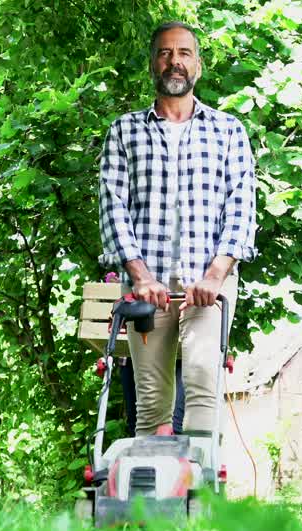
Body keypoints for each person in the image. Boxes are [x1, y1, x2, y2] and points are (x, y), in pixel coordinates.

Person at [98, 20, 258, 438]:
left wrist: (215, 276)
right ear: (153, 63)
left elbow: (240, 208)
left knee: (204, 379)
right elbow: (113, 207)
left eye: (184, 53)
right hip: (146, 287)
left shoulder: (228, 131)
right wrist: (140, 277)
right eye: (166, 53)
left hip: (207, 285)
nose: (175, 62)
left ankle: (199, 498)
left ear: (198, 66)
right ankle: (151, 501)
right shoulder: (124, 131)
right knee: (151, 399)